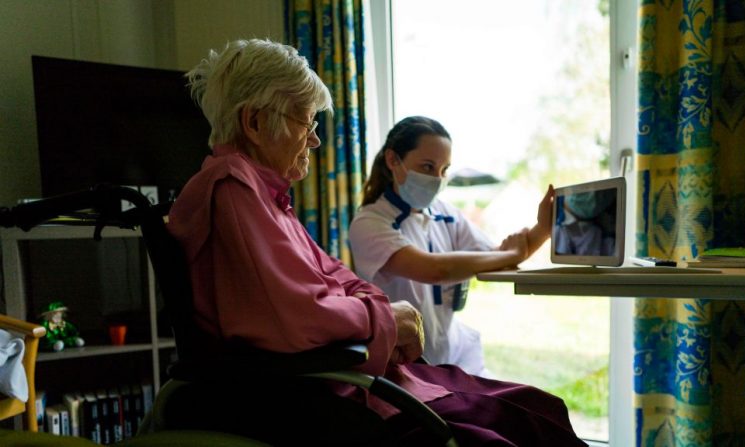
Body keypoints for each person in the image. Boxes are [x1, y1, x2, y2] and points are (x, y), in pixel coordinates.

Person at [167, 38, 584, 446]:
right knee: (518, 424)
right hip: (323, 389)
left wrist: (383, 310)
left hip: (355, 375)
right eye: (306, 122)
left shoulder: (265, 196)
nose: (314, 140)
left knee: (534, 407)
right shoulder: (236, 189)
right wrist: (387, 318)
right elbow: (297, 317)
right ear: (255, 123)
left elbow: (334, 276)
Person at [349, 116, 554, 376]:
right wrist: (512, 253)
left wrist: (543, 230)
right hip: (406, 365)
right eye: (427, 167)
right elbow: (435, 270)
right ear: (393, 161)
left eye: (444, 170)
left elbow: (499, 259)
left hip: (454, 356)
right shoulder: (369, 222)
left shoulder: (444, 213)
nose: (437, 178)